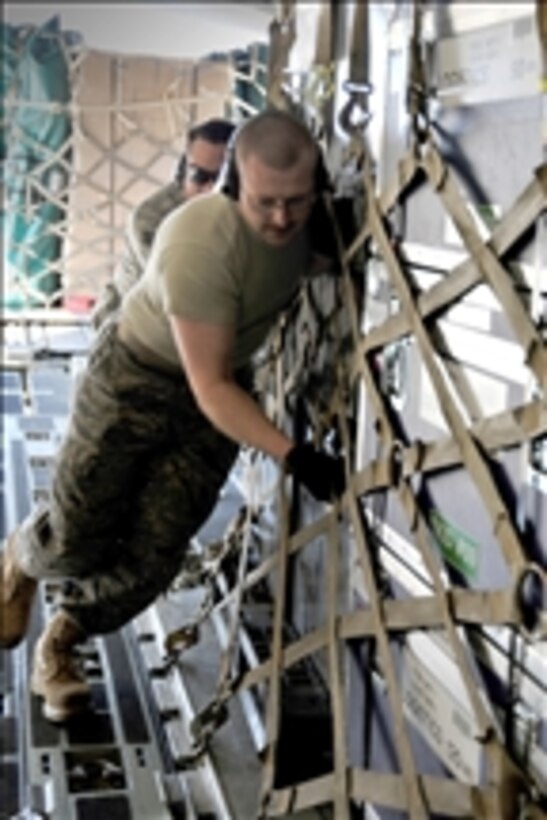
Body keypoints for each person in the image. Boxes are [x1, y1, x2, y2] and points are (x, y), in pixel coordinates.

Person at [0, 109, 345, 723]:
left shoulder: (306, 227)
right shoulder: (198, 240)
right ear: (235, 185)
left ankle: (64, 642)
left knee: (158, 548)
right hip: (136, 378)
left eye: (296, 202)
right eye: (265, 202)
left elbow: (312, 259)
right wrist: (293, 454)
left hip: (216, 391)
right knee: (78, 535)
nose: (281, 219)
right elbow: (209, 386)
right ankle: (22, 558)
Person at [91, 117, 236, 328]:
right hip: (125, 330)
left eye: (222, 180)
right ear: (182, 175)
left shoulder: (242, 209)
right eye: (199, 177)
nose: (211, 190)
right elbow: (180, 292)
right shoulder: (151, 219)